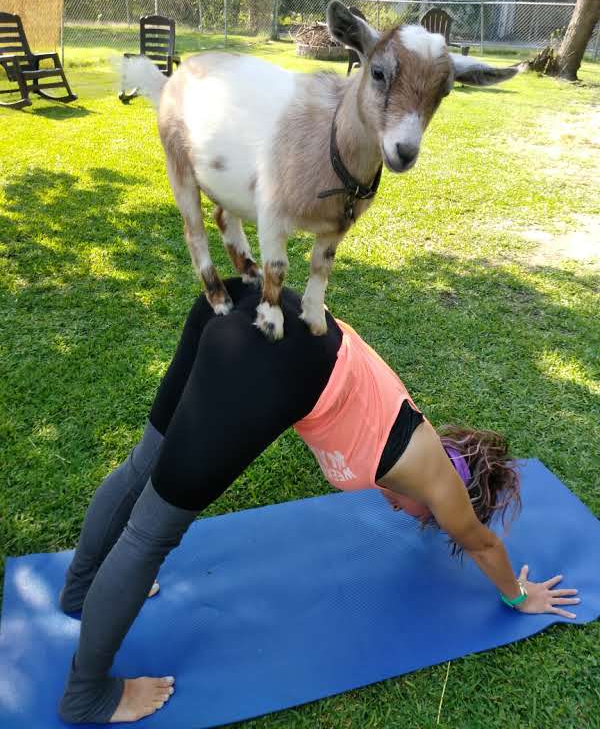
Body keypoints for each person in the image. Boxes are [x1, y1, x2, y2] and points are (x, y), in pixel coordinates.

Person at [58, 278, 579, 724]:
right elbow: (481, 542)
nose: (411, 517)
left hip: (247, 300)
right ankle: (88, 695)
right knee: (151, 532)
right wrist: (517, 595)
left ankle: (82, 591)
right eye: (433, 521)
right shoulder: (436, 480)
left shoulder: (409, 428)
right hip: (261, 353)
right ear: (452, 496)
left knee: (143, 466)